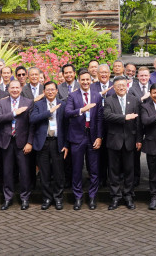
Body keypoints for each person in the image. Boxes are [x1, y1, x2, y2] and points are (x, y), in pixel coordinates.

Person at [65, 71, 103, 210]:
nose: (85, 82)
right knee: (77, 169)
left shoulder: (96, 96)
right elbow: (67, 113)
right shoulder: (72, 95)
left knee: (93, 169)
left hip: (92, 137)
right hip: (77, 137)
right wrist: (82, 109)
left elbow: (99, 119)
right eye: (83, 80)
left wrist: (99, 137)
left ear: (91, 81)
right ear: (78, 80)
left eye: (88, 79)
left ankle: (92, 197)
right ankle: (78, 197)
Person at [0, 79, 33, 210]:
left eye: (17, 88)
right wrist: (14, 113)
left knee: (24, 171)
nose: (15, 90)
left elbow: (32, 125)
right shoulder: (2, 102)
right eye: (12, 88)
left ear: (21, 89)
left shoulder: (28, 102)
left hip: (22, 143)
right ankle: (7, 198)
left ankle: (25, 198)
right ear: (8, 89)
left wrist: (29, 142)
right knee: (7, 172)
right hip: (6, 142)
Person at [102, 77, 139, 210]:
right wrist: (124, 117)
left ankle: (128, 195)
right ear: (114, 87)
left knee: (130, 170)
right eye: (118, 86)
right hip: (114, 141)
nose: (121, 88)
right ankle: (115, 196)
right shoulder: (108, 100)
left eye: (123, 85)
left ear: (127, 86)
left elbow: (138, 123)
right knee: (113, 170)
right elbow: (107, 116)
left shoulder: (134, 100)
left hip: (130, 140)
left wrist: (139, 139)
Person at [29, 81, 65, 210]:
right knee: (44, 173)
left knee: (58, 172)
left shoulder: (63, 105)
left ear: (56, 91)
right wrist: (49, 112)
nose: (50, 92)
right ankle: (47, 198)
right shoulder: (39, 104)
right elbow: (32, 119)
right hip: (43, 142)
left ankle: (58, 198)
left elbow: (66, 126)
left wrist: (65, 144)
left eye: (52, 89)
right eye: (47, 90)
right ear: (43, 92)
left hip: (57, 142)